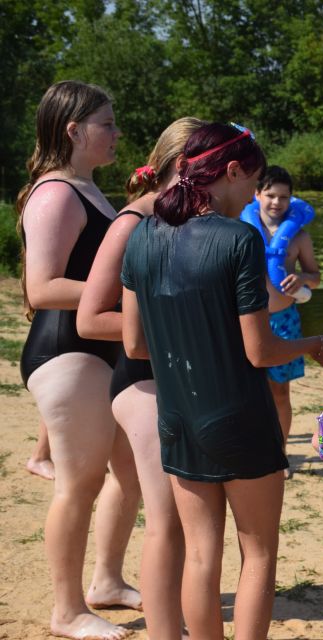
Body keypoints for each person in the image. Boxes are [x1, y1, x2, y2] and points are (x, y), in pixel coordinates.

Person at [120, 122, 323, 639]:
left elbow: (135, 344)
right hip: (240, 418)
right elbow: (261, 349)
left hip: (177, 418)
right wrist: (315, 345)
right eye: (253, 182)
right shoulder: (238, 238)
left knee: (201, 556)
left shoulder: (141, 235)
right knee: (258, 553)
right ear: (230, 172)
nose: (253, 194)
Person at [17, 80, 141, 640]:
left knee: (130, 473)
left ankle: (107, 583)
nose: (117, 134)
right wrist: (125, 295)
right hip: (66, 352)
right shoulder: (56, 194)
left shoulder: (86, 188)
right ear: (74, 130)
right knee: (80, 483)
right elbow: (39, 289)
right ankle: (67, 611)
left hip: (98, 350)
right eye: (108, 124)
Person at [77, 116, 205, 640]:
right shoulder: (134, 222)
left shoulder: (188, 220)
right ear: (182, 167)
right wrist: (178, 336)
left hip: (173, 380)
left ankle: (145, 602)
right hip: (138, 379)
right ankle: (167, 627)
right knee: (167, 515)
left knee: (162, 506)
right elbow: (91, 317)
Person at [251, 166, 321, 467]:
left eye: (284, 197)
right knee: (250, 390)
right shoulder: (241, 229)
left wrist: (302, 278)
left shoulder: (299, 237)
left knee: (280, 392)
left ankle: (279, 456)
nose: (277, 203)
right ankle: (251, 450)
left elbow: (316, 276)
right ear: (256, 194)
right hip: (248, 320)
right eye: (270, 195)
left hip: (283, 320)